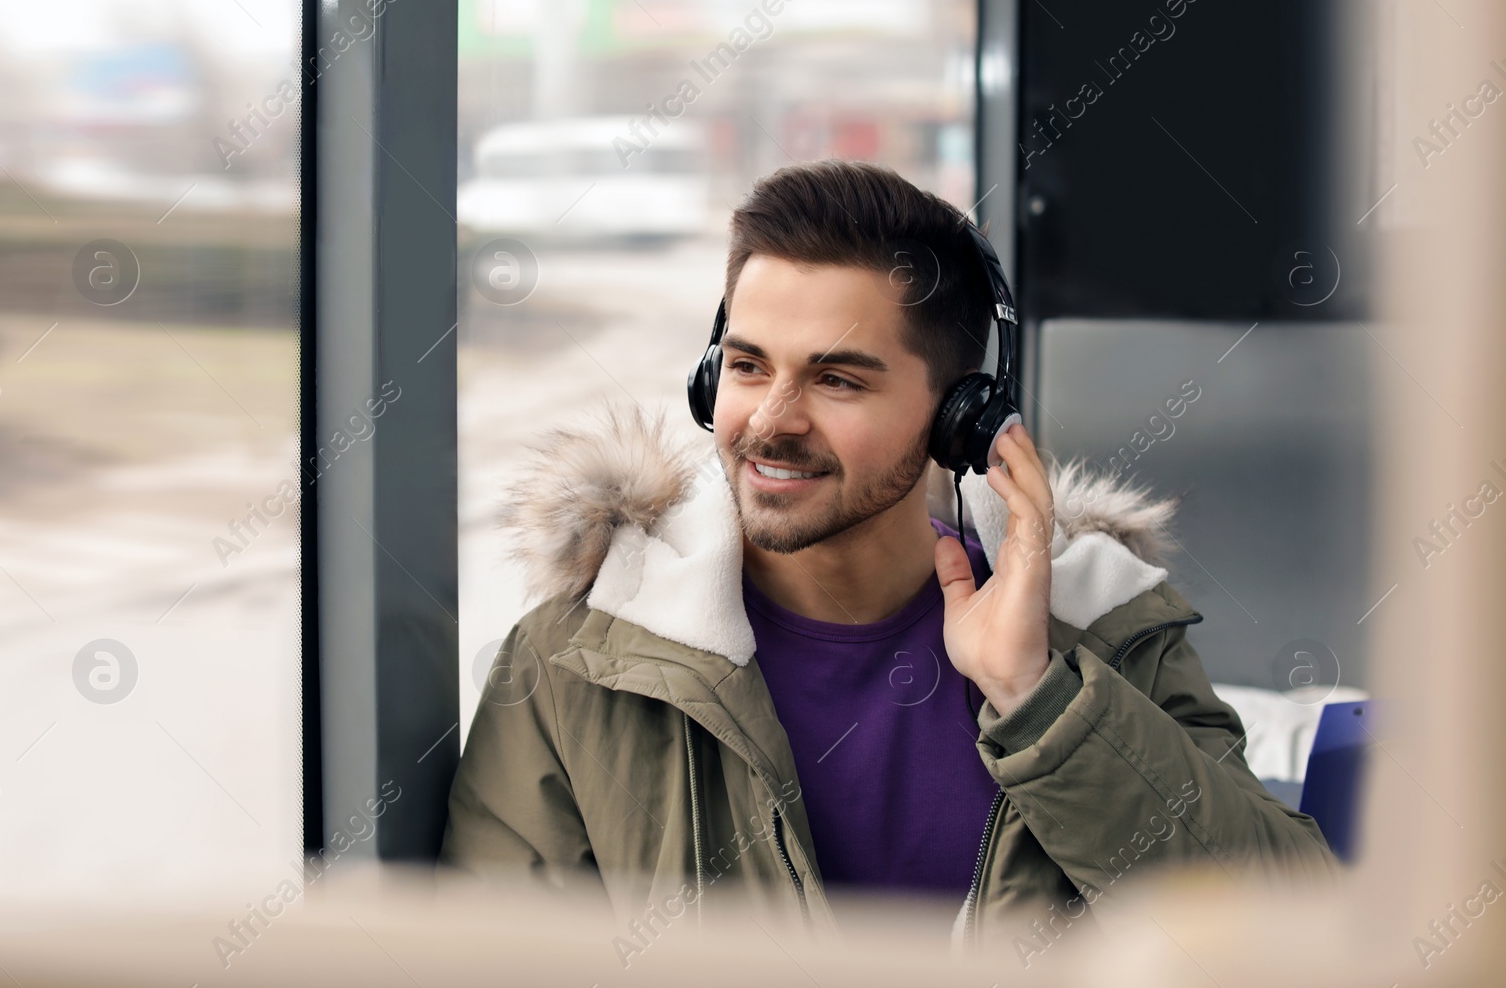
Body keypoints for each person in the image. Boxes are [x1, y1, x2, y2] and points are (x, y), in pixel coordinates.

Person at [439, 160, 1337, 951]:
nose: (770, 421)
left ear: (962, 418)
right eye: (748, 366)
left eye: (836, 379)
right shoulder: (575, 665)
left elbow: (1288, 926)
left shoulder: (1104, 631)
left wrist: (1041, 700)